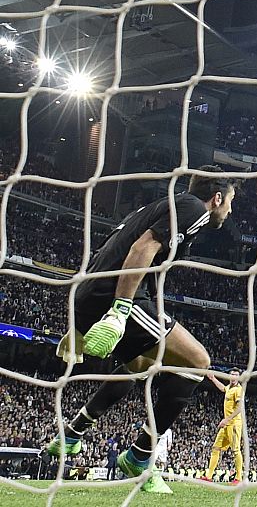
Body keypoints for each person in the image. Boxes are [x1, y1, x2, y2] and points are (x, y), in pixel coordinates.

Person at [45, 166, 238, 494]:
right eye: (230, 201)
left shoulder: (162, 206)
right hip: (119, 297)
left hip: (95, 292)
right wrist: (119, 311)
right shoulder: (194, 209)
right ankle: (139, 457)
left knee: (141, 364)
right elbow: (140, 250)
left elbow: (113, 249)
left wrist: (81, 318)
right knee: (198, 362)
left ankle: (73, 433)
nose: (230, 210)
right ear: (216, 197)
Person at [202, 368, 245, 485]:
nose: (233, 377)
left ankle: (239, 478)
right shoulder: (229, 388)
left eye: (236, 375)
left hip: (234, 424)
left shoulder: (238, 390)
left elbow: (239, 408)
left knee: (236, 450)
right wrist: (213, 378)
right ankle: (209, 476)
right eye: (231, 375)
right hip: (226, 424)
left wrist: (227, 420)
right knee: (215, 448)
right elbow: (222, 388)